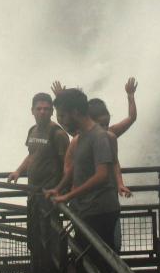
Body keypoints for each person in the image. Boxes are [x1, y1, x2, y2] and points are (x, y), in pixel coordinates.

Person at [44, 88, 120, 252]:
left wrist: (69, 195)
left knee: (98, 260)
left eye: (63, 115)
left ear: (75, 112)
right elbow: (76, 165)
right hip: (86, 209)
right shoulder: (83, 135)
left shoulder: (99, 136)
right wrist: (58, 188)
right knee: (83, 258)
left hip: (100, 211)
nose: (62, 121)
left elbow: (102, 175)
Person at [7, 92, 69, 191]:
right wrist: (18, 171)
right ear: (32, 111)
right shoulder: (32, 130)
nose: (42, 112)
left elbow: (68, 165)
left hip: (51, 191)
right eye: (39, 109)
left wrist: (60, 189)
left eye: (46, 109)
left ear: (52, 111)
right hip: (33, 189)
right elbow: (32, 155)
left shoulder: (58, 134)